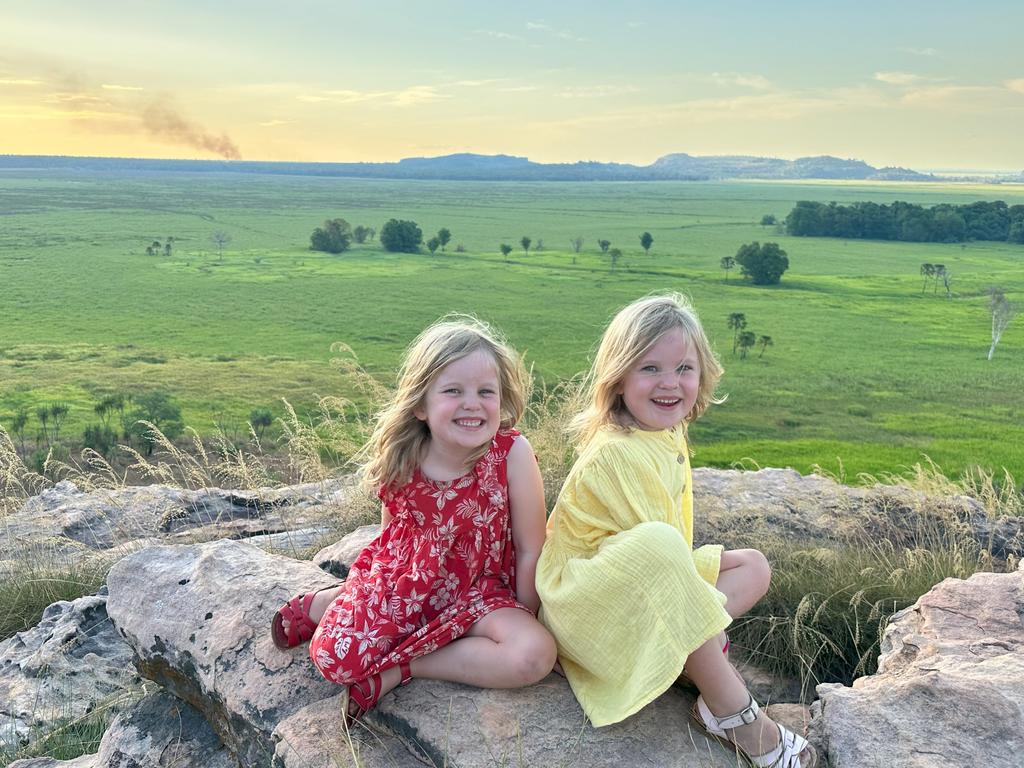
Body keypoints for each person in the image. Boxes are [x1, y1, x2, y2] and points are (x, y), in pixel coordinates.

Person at [536, 294, 816, 767]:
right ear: (618, 377)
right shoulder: (617, 452)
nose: (670, 384)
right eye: (649, 369)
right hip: (586, 611)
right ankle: (735, 713)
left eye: (684, 368)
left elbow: (666, 566)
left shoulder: (665, 432)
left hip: (640, 589)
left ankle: (686, 658)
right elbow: (658, 557)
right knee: (662, 546)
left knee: (752, 566)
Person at [271, 317, 556, 720]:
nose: (472, 403)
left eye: (485, 392)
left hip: (485, 593)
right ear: (421, 404)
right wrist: (374, 596)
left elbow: (531, 547)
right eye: (453, 391)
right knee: (334, 659)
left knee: (534, 656)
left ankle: (404, 668)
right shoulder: (406, 457)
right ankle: (326, 603)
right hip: (413, 586)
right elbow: (391, 540)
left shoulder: (511, 453)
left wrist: (529, 614)